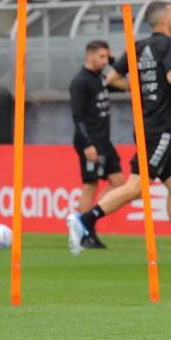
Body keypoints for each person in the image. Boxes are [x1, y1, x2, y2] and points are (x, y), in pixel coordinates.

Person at [65, 1, 171, 266]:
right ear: (163, 21)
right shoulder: (170, 45)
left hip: (149, 126)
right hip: (158, 128)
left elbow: (112, 78)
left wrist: (142, 90)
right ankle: (84, 220)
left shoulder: (138, 47)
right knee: (136, 188)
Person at [69, 40, 126, 249]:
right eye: (102, 56)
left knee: (119, 182)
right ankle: (86, 233)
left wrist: (114, 64)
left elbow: (127, 85)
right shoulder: (80, 82)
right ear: (89, 55)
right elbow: (77, 116)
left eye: (107, 57)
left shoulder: (101, 78)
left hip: (105, 141)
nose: (105, 60)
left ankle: (87, 218)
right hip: (90, 142)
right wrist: (87, 144)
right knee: (90, 186)